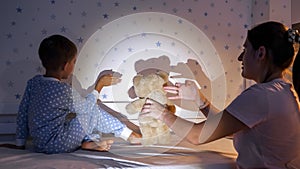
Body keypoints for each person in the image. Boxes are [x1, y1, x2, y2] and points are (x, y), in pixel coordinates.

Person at [140, 21, 300, 168]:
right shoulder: (280, 91)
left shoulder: (262, 95)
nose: (240, 58)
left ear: (260, 53)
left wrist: (162, 113)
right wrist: (200, 100)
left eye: (245, 49)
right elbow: (229, 128)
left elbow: (197, 136)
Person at [15, 34, 141, 154]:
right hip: (59, 144)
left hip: (39, 145)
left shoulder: (33, 83)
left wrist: (20, 143)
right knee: (92, 111)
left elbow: (23, 113)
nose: (74, 65)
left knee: (77, 117)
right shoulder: (63, 90)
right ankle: (129, 135)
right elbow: (87, 108)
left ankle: (89, 142)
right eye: (74, 62)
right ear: (65, 66)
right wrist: (99, 85)